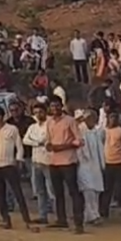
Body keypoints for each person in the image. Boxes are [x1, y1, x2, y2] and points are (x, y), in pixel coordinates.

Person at [44, 97, 85, 233]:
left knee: (73, 192)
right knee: (58, 192)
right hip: (54, 161)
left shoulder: (70, 121)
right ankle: (61, 219)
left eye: (57, 106)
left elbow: (79, 141)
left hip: (68, 161)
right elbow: (48, 140)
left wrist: (62, 146)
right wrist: (50, 146)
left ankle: (79, 222)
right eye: (52, 106)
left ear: (61, 106)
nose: (54, 109)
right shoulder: (49, 122)